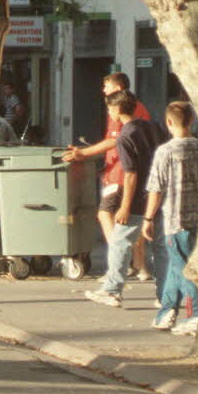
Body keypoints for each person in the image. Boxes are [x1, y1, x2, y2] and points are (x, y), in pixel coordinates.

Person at [63, 73, 155, 281]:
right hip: (136, 171)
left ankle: (118, 263)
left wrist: (83, 153)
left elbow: (114, 140)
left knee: (105, 214)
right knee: (132, 219)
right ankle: (139, 266)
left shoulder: (118, 112)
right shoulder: (140, 108)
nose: (103, 90)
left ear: (118, 88)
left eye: (107, 86)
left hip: (119, 172)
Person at [85, 90, 169, 308]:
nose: (109, 113)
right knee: (160, 248)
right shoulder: (154, 127)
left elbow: (131, 174)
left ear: (117, 109)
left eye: (110, 108)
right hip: (160, 196)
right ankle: (165, 295)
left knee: (119, 243)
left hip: (138, 198)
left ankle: (112, 290)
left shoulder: (125, 136)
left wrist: (125, 206)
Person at [143, 101, 198, 336]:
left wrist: (148, 218)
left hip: (176, 219)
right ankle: (167, 310)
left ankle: (194, 314)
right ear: (192, 120)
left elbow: (156, 188)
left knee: (184, 268)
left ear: (168, 122)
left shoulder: (165, 151)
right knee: (176, 266)